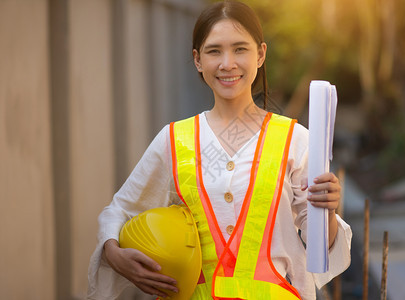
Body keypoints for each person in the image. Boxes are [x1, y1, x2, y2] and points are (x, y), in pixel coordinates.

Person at [87, 1, 352, 299]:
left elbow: (321, 247)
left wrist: (327, 212)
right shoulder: (175, 140)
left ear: (261, 54)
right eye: (215, 51)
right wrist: (113, 251)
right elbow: (120, 210)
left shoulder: (296, 140)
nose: (228, 63)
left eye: (240, 49)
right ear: (198, 60)